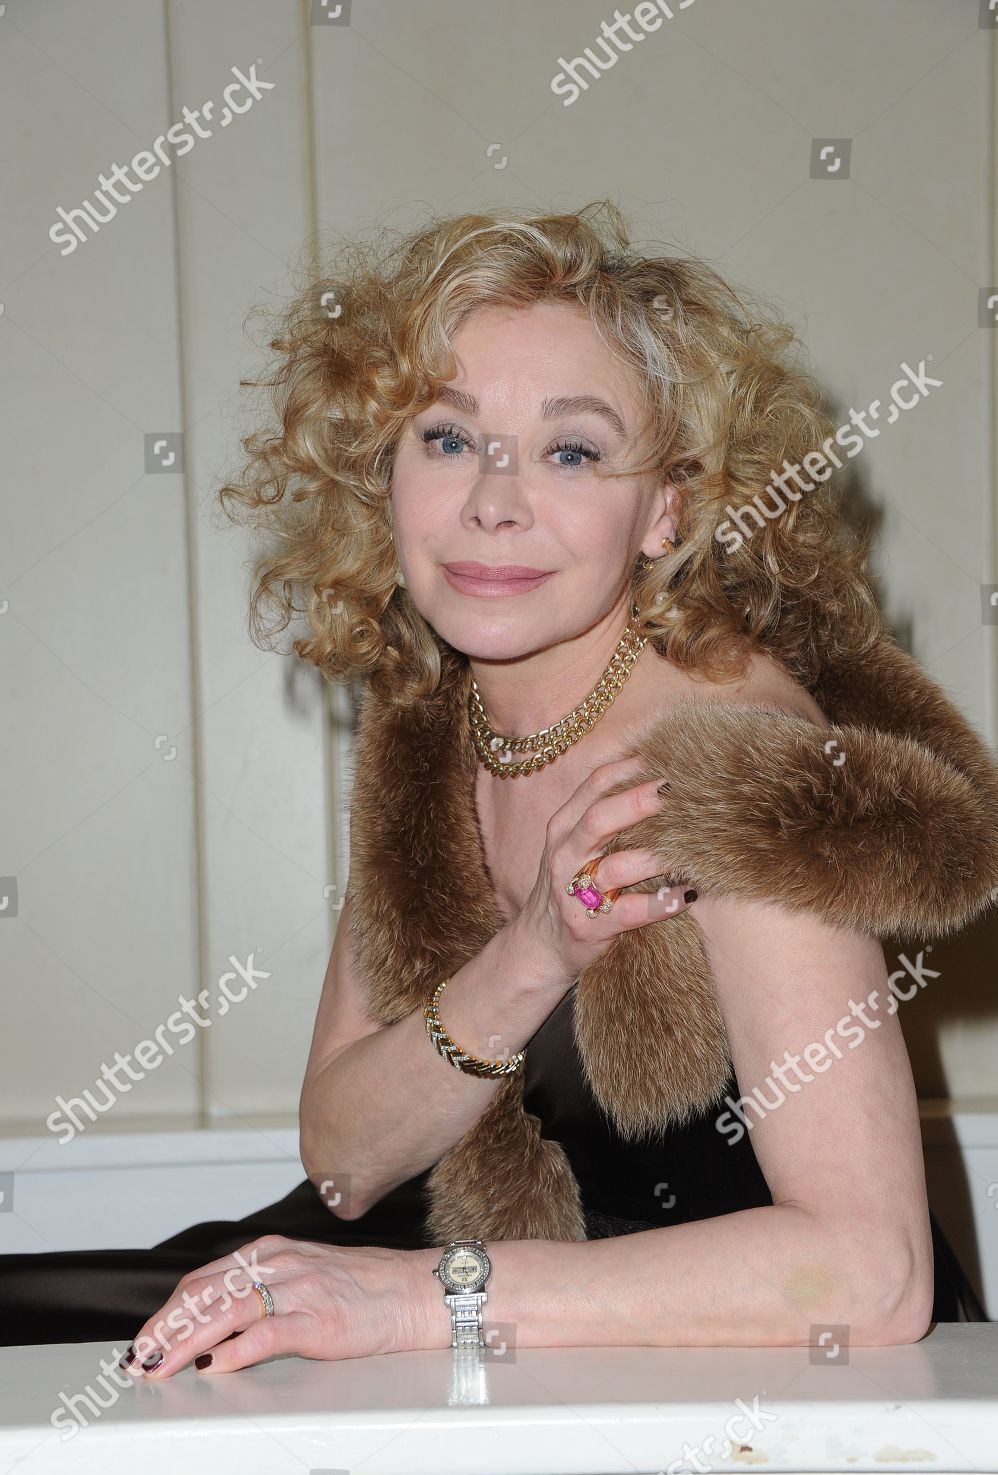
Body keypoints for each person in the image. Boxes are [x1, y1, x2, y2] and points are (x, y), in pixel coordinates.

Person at [2, 202, 993, 1374]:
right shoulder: (435, 720)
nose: (491, 499)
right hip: (464, 1280)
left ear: (666, 507)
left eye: (570, 451)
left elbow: (872, 1273)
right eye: (446, 437)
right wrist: (531, 956)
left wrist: (418, 1303)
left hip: (717, 1356)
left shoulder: (738, 761)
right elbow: (345, 1162)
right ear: (383, 472)